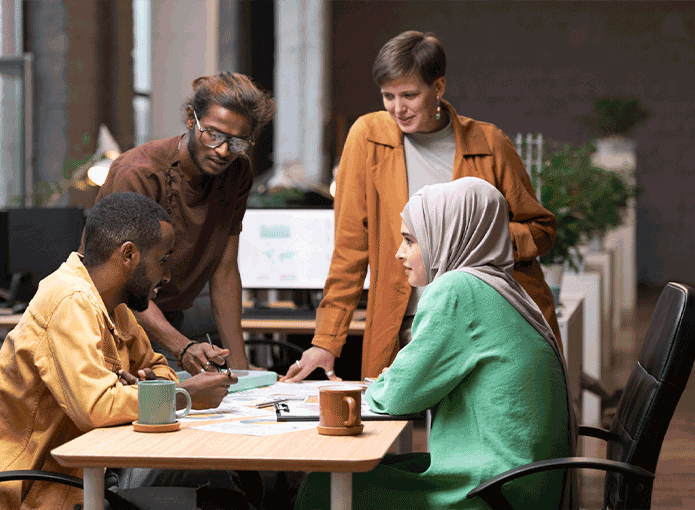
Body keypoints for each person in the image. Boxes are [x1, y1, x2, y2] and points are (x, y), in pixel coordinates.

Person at [282, 30, 560, 383]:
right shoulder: (367, 136)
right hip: (408, 324)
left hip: (487, 320)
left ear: (439, 87)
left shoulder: (489, 142)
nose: (398, 108)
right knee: (392, 427)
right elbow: (350, 248)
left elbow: (542, 231)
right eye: (388, 96)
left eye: (410, 95)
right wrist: (325, 341)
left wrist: (483, 241)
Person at [295, 178, 577, 510]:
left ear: (448, 235)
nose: (400, 253)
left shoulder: (458, 289)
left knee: (320, 487)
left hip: (492, 490)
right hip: (525, 481)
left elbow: (398, 397)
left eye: (410, 240)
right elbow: (411, 383)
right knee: (364, 470)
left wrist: (390, 381)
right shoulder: (502, 287)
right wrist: (399, 379)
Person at [0, 192, 244, 510]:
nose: (167, 275)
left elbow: (158, 366)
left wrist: (141, 389)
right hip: (42, 492)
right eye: (162, 259)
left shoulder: (113, 306)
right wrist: (182, 395)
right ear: (129, 254)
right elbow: (97, 407)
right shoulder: (69, 300)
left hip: (94, 472)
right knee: (218, 495)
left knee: (223, 488)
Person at [94, 71, 275, 375]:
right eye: (213, 134)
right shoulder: (137, 174)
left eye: (237, 142)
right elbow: (121, 282)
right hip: (113, 320)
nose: (222, 151)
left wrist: (242, 373)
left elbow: (225, 272)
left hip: (171, 315)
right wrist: (183, 347)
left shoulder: (237, 172)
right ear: (192, 119)